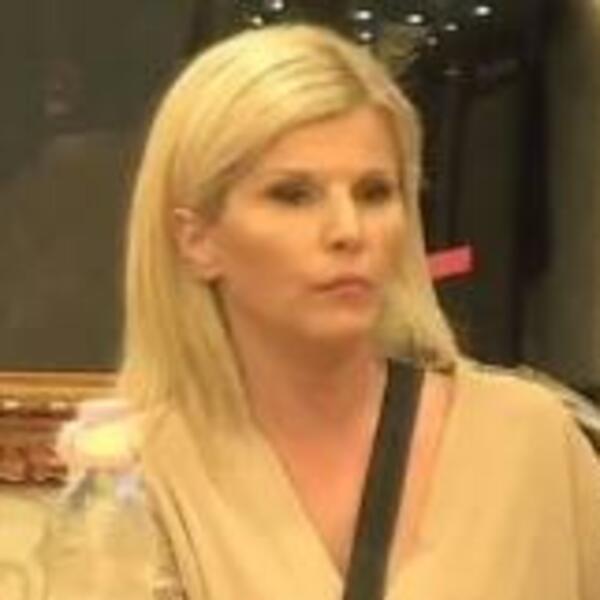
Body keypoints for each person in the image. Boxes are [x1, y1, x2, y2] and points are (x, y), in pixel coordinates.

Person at [2, 22, 599, 600]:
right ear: (197, 240)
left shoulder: (530, 443)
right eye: (293, 195)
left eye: (374, 192)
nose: (348, 230)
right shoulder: (139, 476)